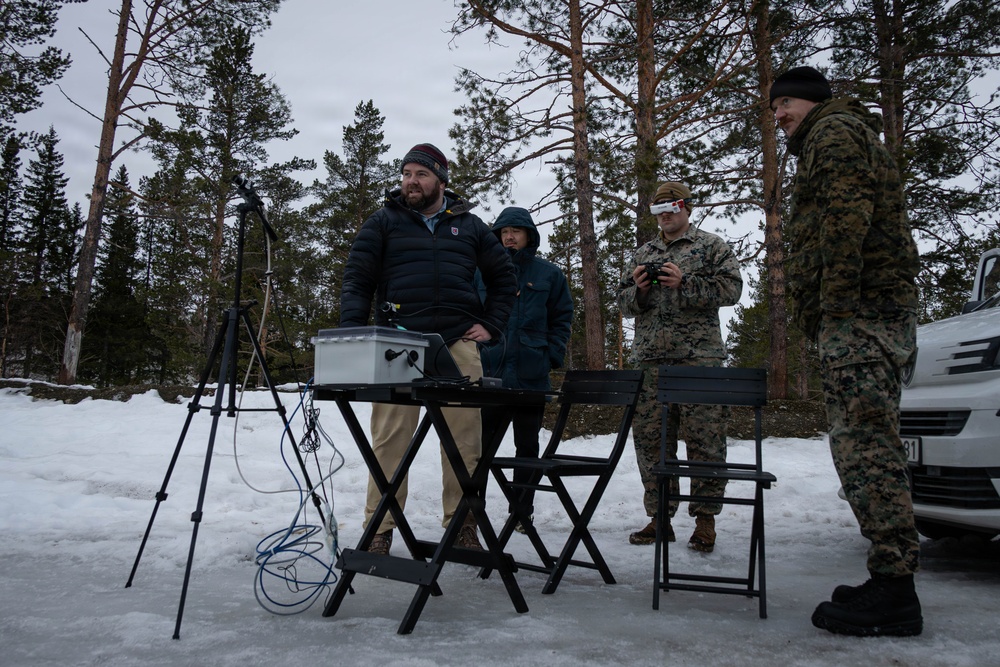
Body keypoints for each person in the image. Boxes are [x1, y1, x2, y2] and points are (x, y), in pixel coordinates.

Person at [770, 66, 923, 637]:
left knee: (866, 450)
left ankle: (895, 590)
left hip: (860, 317)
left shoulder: (832, 133)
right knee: (864, 444)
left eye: (785, 103)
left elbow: (844, 220)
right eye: (774, 107)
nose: (778, 115)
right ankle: (890, 577)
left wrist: (834, 307)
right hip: (864, 315)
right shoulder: (833, 135)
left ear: (811, 101)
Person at [339, 143, 517, 555]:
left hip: (457, 342)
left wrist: (491, 325)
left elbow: (504, 279)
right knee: (390, 438)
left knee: (465, 440)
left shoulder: (470, 226)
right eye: (406, 174)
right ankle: (380, 529)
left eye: (420, 174)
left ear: (441, 180)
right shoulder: (383, 222)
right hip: (397, 343)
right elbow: (357, 279)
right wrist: (353, 336)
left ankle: (463, 526)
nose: (411, 181)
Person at [617, 181, 743, 553]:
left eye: (671, 208)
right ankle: (660, 517)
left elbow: (732, 290)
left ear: (686, 207)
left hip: (699, 360)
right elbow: (622, 302)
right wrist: (639, 290)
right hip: (651, 361)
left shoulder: (711, 246)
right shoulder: (644, 253)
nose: (665, 216)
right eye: (657, 211)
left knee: (706, 442)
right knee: (652, 443)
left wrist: (684, 284)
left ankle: (705, 521)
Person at [478, 207, 574, 531]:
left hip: (531, 375)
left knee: (527, 448)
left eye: (515, 231)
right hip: (489, 375)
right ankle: (471, 515)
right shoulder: (482, 273)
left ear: (529, 236)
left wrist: (551, 355)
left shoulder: (549, 274)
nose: (509, 237)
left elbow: (562, 317)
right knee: (479, 449)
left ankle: (522, 511)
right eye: (504, 232)